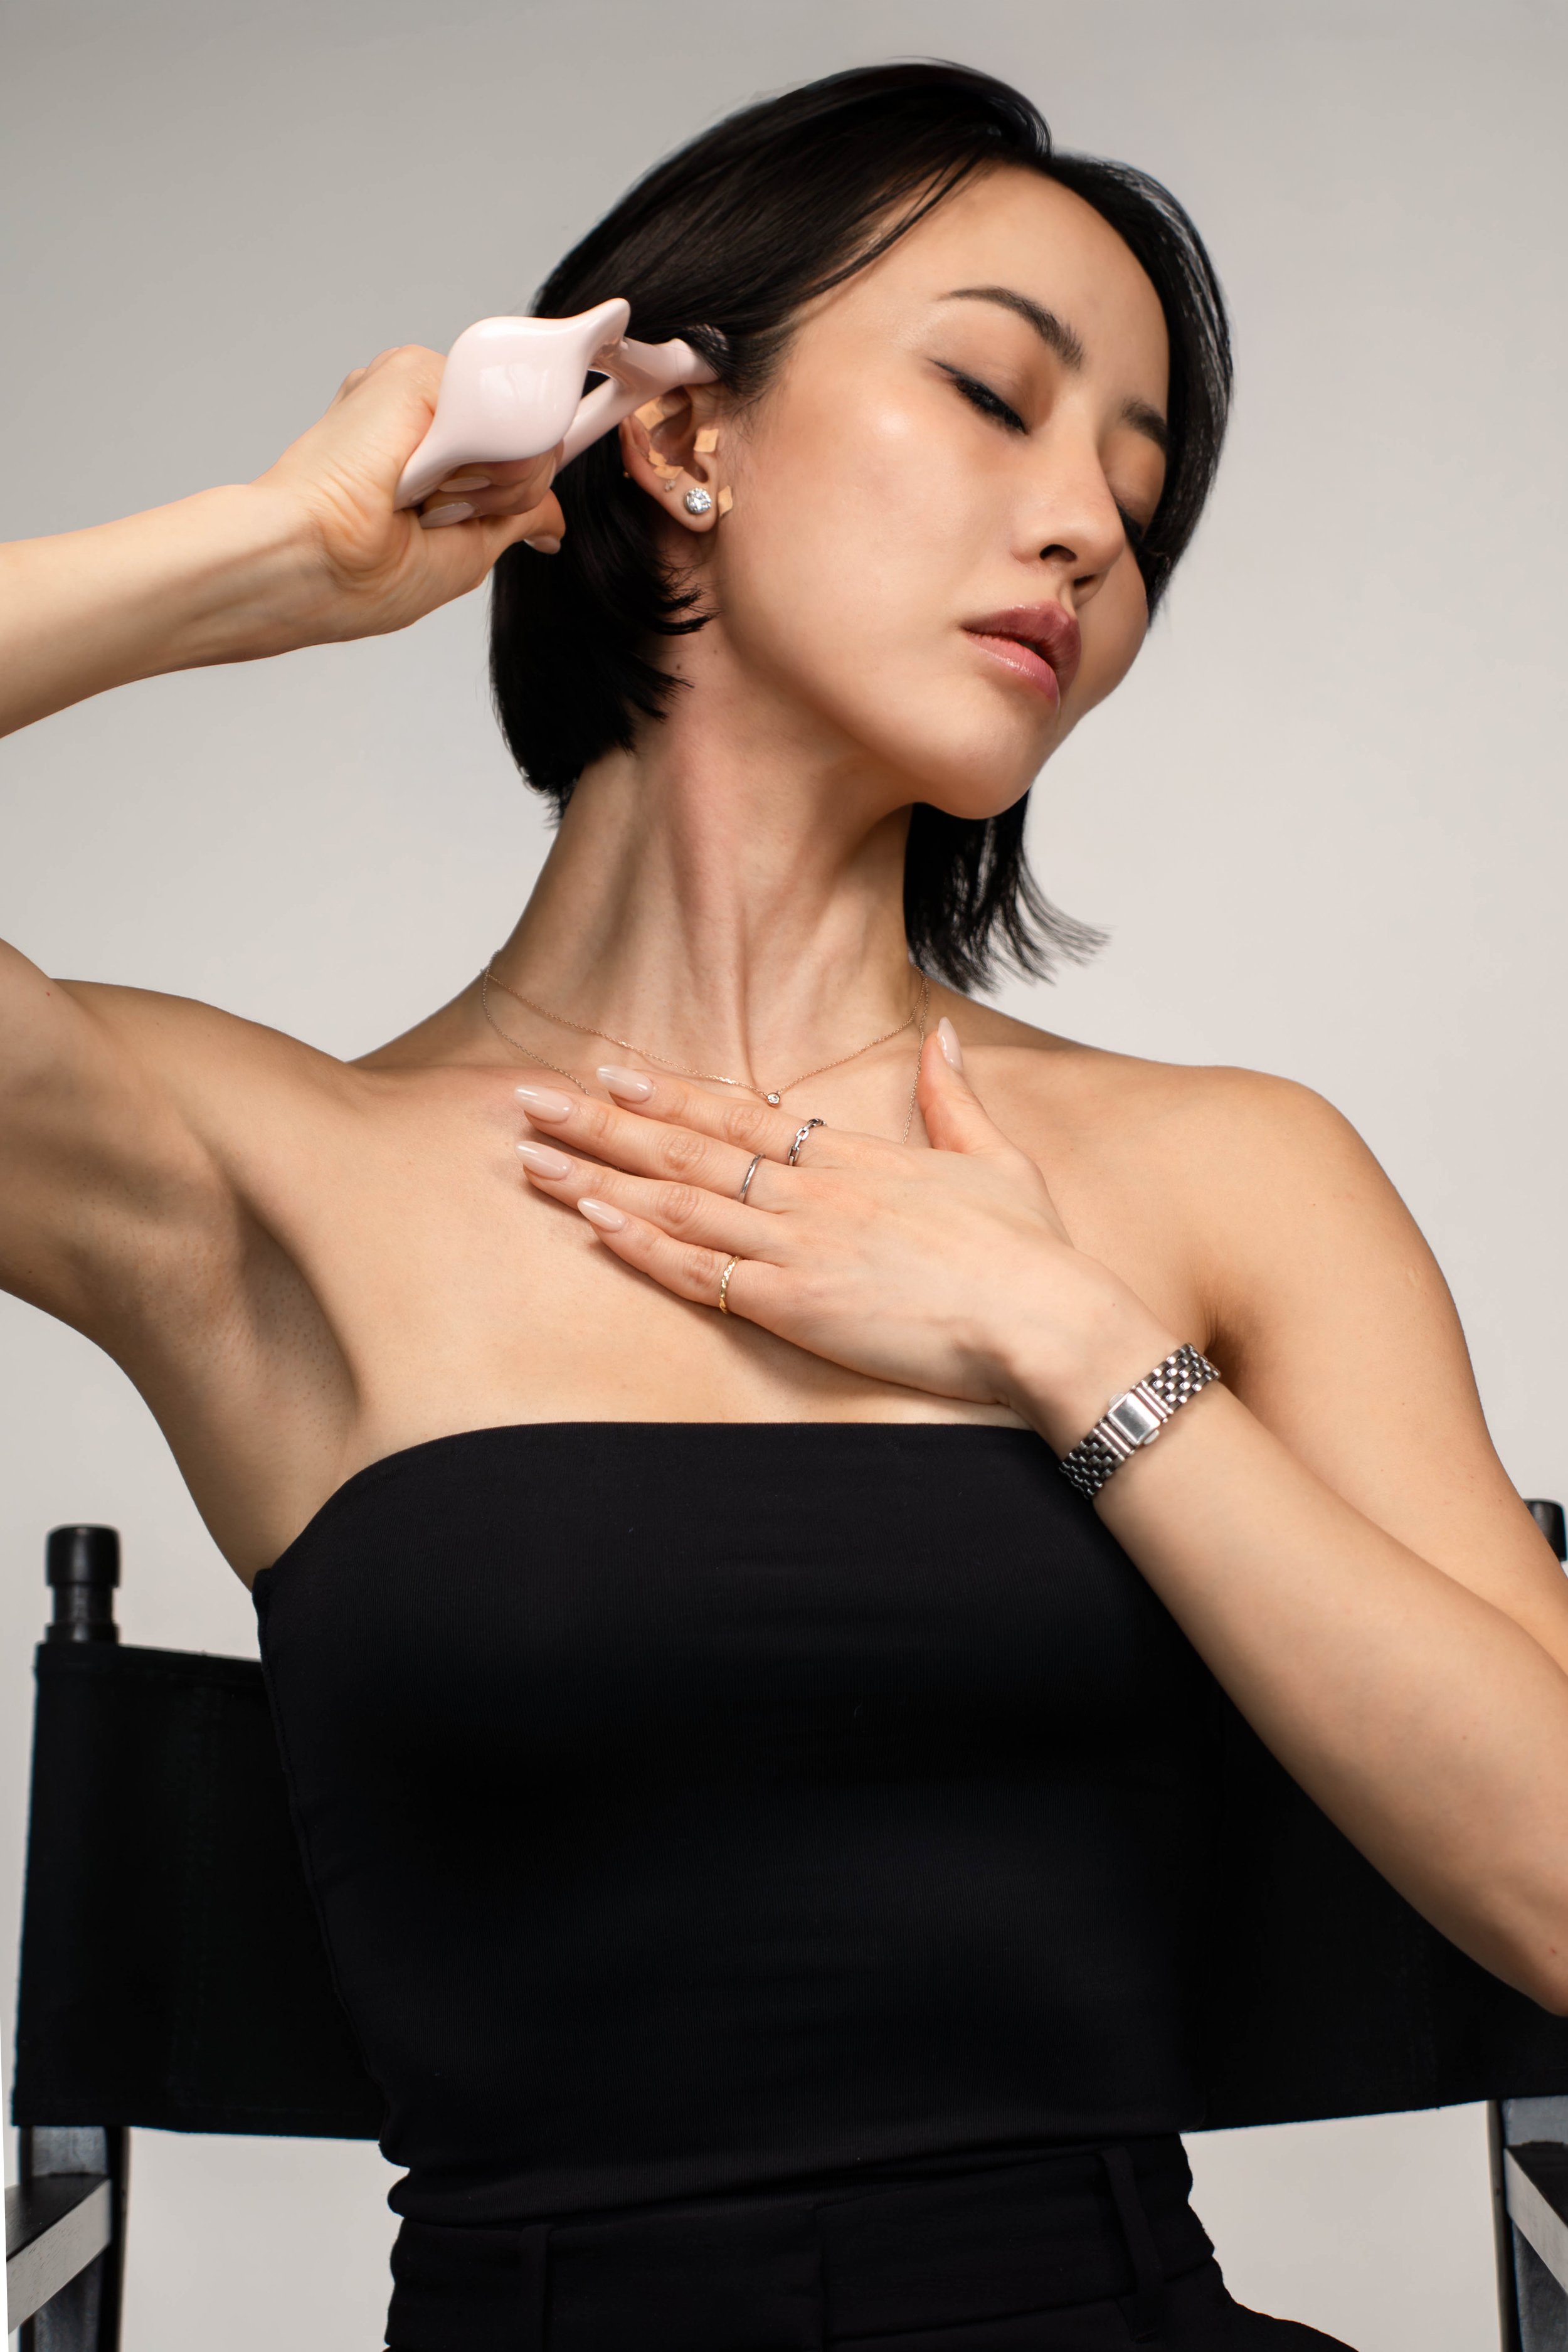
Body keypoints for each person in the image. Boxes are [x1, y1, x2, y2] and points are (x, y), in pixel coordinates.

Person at [2, 56, 1564, 2352]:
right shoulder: (264, 1184)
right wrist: (279, 554)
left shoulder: (1228, 1171)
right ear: (678, 436)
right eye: (991, 398)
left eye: (1139, 497)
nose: (1087, 535)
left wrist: (1069, 1349)